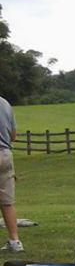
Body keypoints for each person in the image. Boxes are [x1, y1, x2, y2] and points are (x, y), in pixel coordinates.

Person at [0, 94, 23, 252]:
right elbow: (13, 136)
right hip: (5, 154)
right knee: (7, 201)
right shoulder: (5, 103)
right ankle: (15, 241)